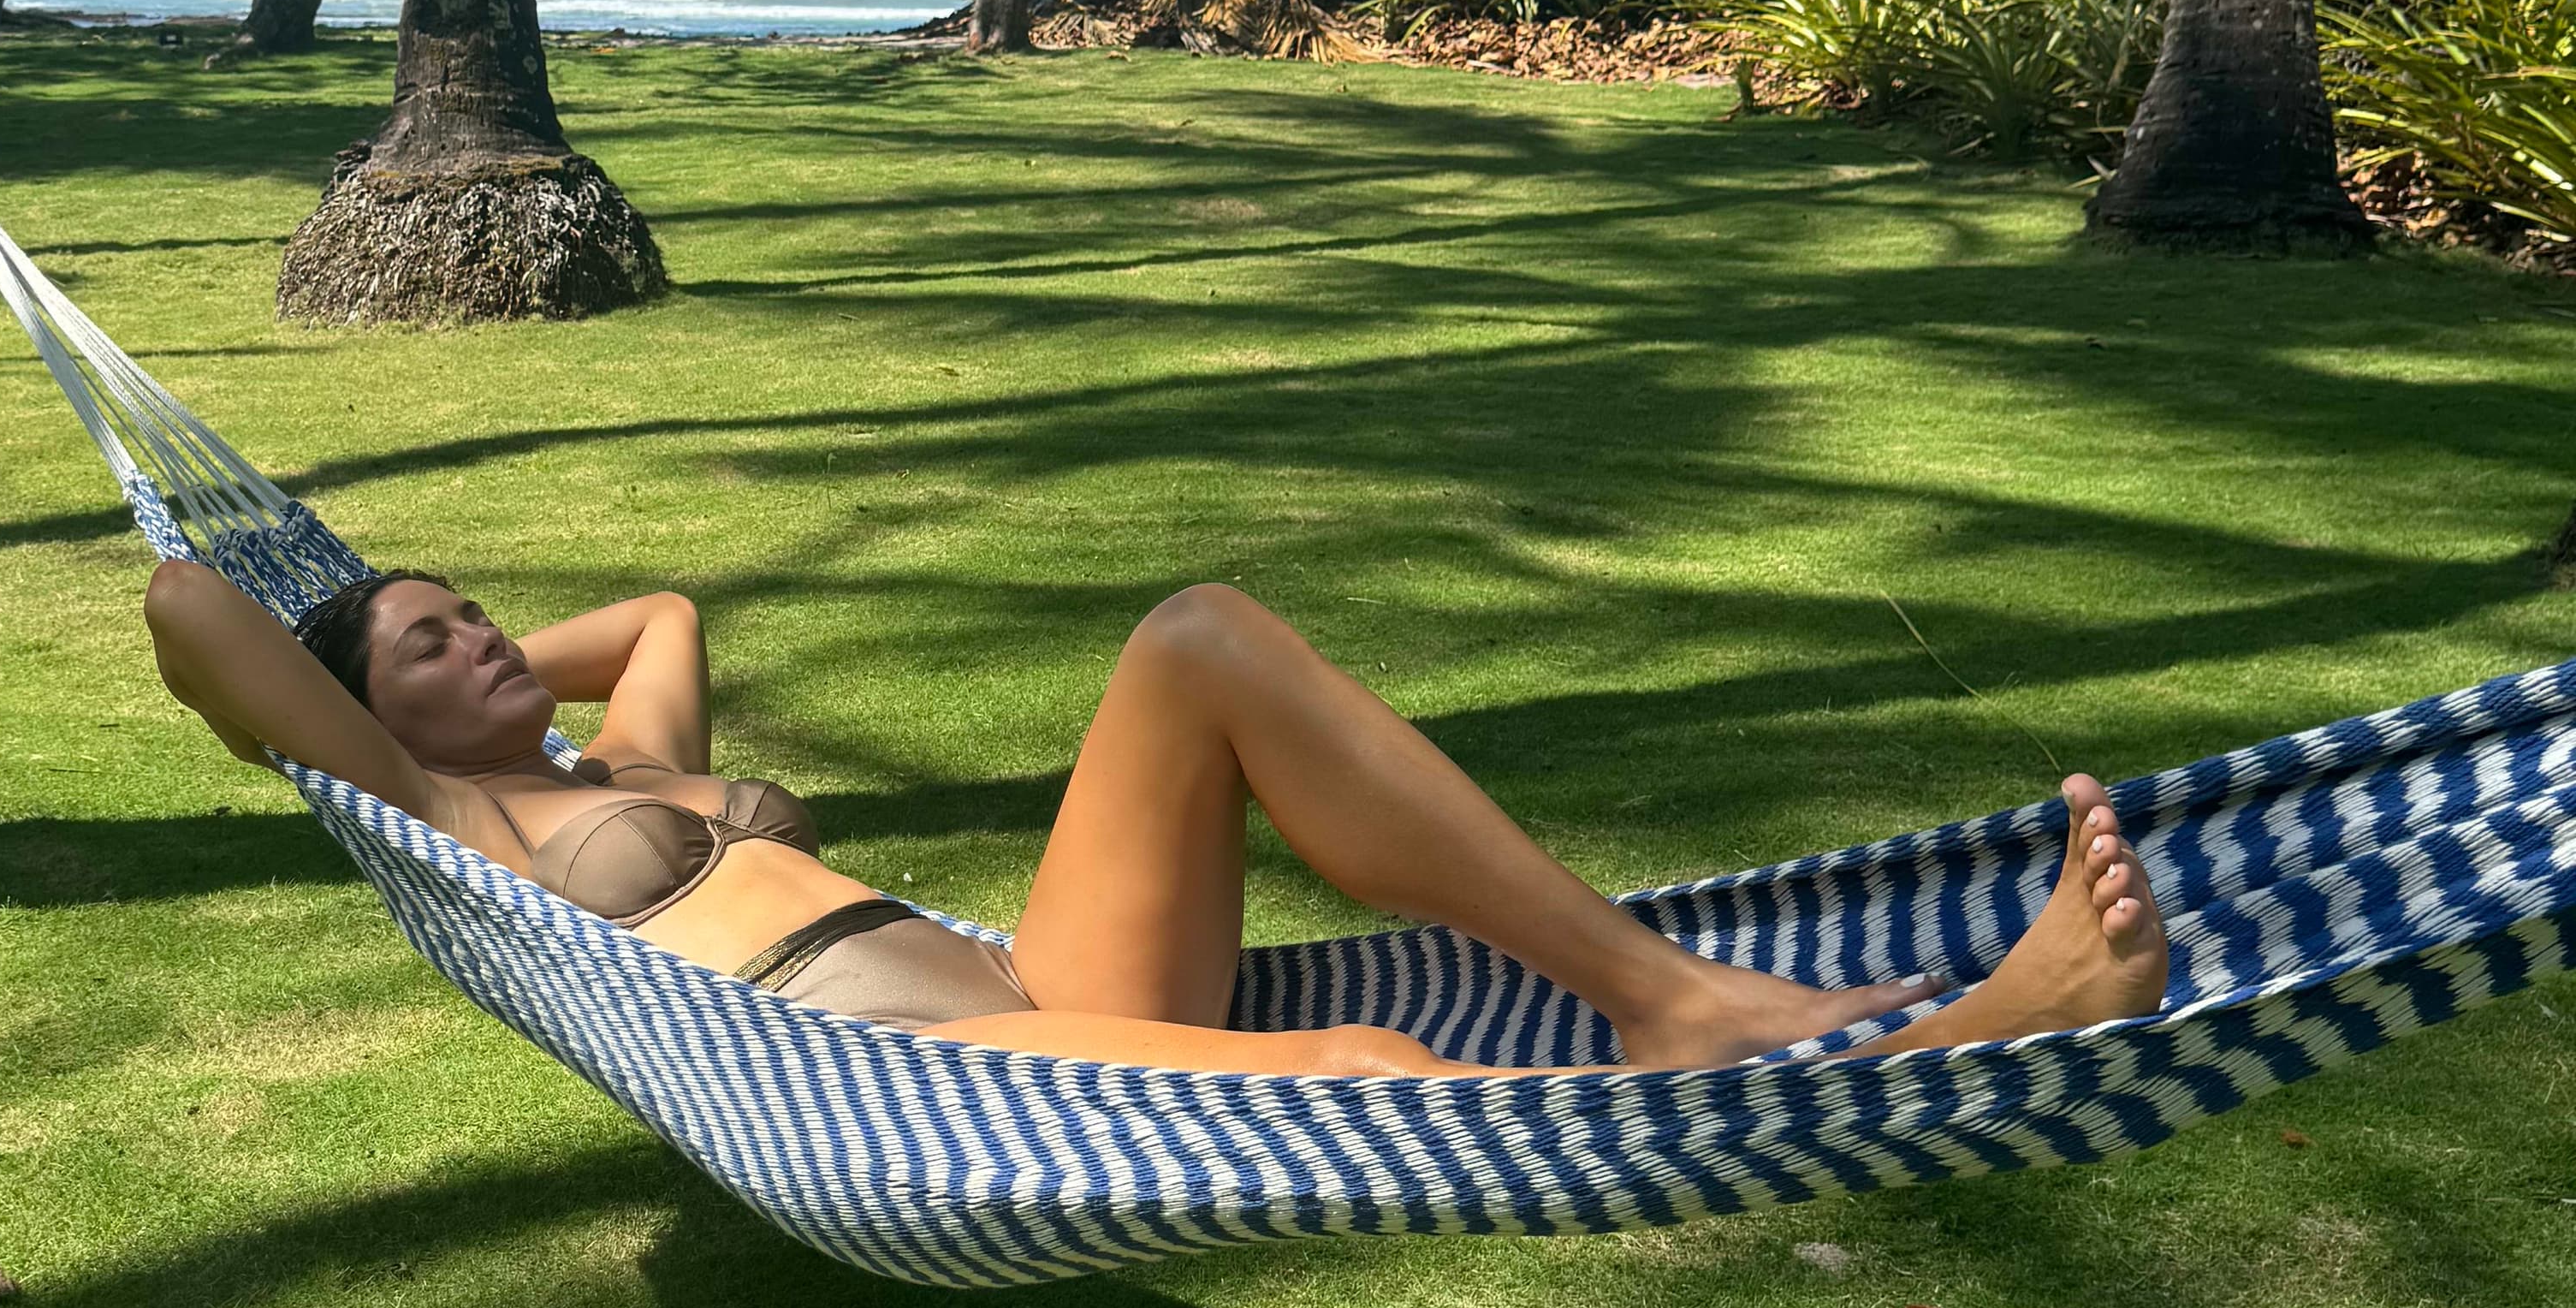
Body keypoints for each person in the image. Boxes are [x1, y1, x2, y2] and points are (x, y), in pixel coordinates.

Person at [143, 562, 2171, 1077]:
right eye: (431, 642)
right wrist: (395, 710)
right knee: (1370, 1059)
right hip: (899, 1073)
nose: (491, 642)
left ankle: (1660, 996)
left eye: (488, 614)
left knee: (1196, 641)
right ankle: (1977, 1034)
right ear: (352, 712)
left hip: (1036, 986)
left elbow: (663, 611)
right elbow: (188, 607)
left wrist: (499, 668)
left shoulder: (618, 771)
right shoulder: (447, 821)